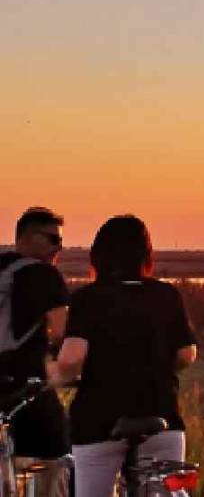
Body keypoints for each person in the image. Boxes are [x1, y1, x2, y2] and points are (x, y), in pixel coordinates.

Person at [52, 215, 197, 497]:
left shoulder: (87, 298)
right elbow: (186, 354)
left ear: (98, 255)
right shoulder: (167, 294)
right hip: (162, 416)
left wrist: (56, 377)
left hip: (99, 420)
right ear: (146, 254)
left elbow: (71, 360)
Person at [1, 207, 72, 487]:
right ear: (29, 238)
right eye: (53, 240)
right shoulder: (43, 274)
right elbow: (63, 333)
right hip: (25, 392)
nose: (59, 248)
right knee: (58, 459)